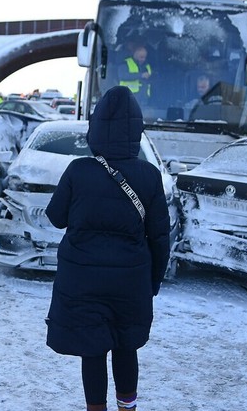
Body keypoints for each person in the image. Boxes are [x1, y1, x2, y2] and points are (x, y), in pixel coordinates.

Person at [44, 85, 172, 411]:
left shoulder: (78, 170)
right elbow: (160, 237)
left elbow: (56, 218)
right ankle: (126, 408)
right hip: (130, 280)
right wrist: (152, 282)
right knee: (126, 345)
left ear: (96, 127)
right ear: (136, 131)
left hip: (82, 278)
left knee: (93, 348)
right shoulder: (149, 175)